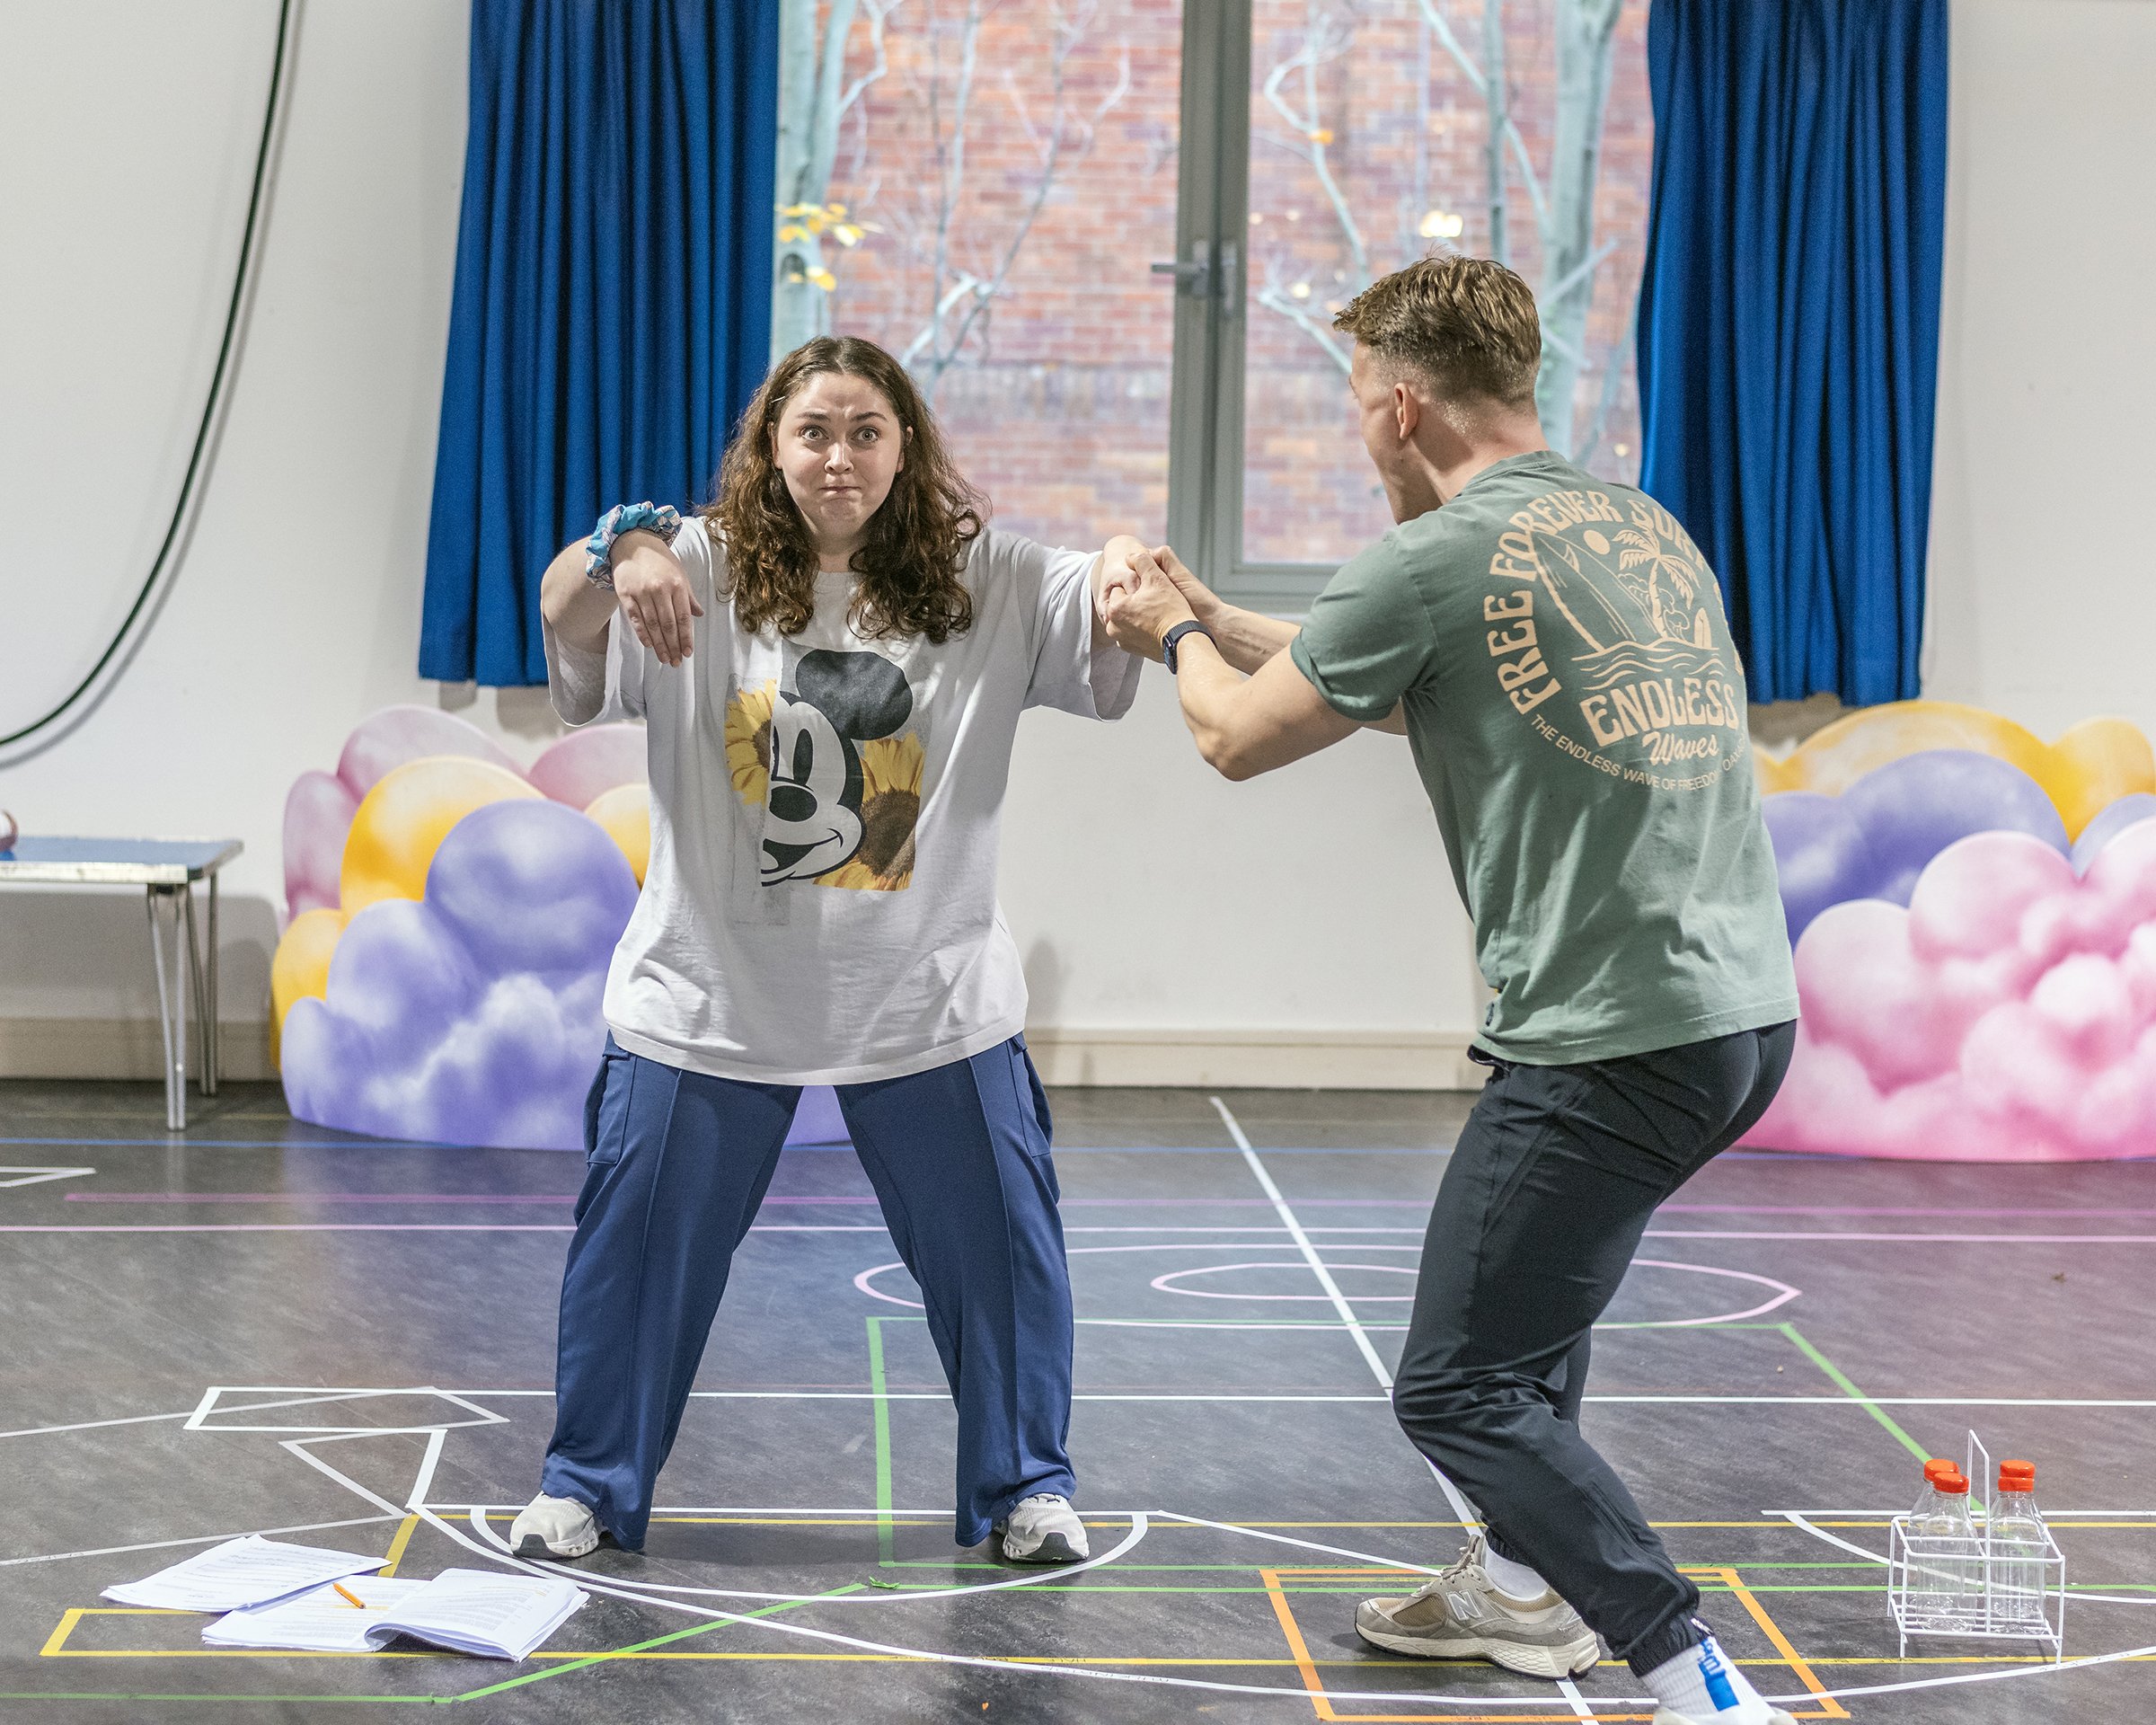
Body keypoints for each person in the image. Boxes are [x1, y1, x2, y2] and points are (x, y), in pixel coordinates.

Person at [1100, 258, 1801, 1725]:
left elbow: (1233, 741)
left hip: (1612, 1040)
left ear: (1402, 404)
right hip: (1742, 1014)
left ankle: (1686, 1672)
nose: (1363, 433)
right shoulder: (1638, 527)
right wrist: (1221, 613)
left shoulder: (1428, 558)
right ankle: (1519, 1586)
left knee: (1458, 1388)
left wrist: (1160, 636)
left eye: (1362, 406)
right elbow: (1382, 673)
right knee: (1531, 1321)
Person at [512, 334, 1149, 1570]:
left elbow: (1102, 597)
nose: (839, 454)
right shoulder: (688, 567)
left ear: (907, 449)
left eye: (866, 430)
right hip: (703, 1000)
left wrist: (1131, 564)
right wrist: (617, 544)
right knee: (630, 1262)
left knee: (1005, 1263)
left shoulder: (990, 581)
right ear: (770, 449)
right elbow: (559, 609)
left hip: (929, 1002)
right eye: (812, 431)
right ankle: (587, 1485)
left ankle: (1025, 1488)